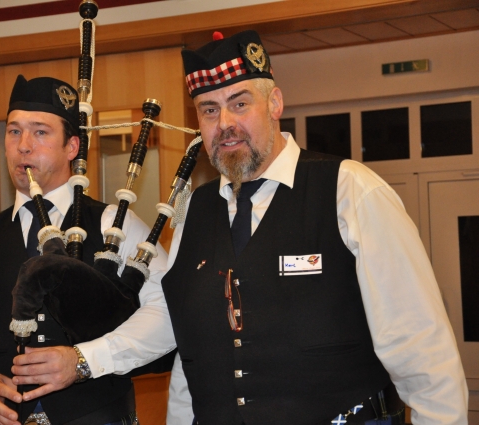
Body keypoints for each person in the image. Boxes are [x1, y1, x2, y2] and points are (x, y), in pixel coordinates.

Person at [162, 30, 468, 425]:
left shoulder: (350, 189)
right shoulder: (193, 211)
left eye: (240, 103)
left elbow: (419, 344)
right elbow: (191, 360)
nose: (225, 124)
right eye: (209, 110)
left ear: (275, 103)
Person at [0, 75, 175, 425]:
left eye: (40, 132)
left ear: (72, 147)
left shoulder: (114, 225)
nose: (23, 146)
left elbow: (168, 312)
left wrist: (85, 360)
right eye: (14, 131)